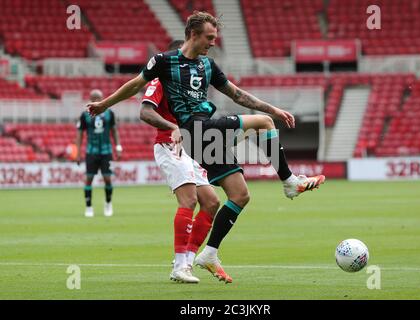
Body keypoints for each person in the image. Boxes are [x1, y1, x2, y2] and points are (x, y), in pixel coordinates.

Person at [87, 11, 325, 283]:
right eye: (209, 37)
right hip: (194, 131)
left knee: (240, 195)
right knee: (263, 123)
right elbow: (134, 86)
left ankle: (209, 253)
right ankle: (290, 182)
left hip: (204, 138)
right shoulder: (164, 62)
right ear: (193, 34)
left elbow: (237, 94)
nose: (213, 42)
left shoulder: (208, 65)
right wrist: (104, 104)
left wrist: (275, 107)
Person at [139, 40, 220, 284]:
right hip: (169, 145)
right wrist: (172, 126)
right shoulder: (161, 78)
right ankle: (179, 266)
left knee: (212, 202)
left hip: (189, 148)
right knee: (189, 200)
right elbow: (145, 111)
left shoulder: (189, 84)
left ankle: (187, 262)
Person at [76, 89, 122, 218]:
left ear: (102, 98)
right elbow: (79, 134)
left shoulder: (110, 113)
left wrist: (118, 147)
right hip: (91, 151)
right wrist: (78, 152)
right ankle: (89, 207)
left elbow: (114, 131)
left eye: (99, 98)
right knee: (88, 179)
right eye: (94, 98)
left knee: (107, 179)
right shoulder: (84, 115)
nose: (96, 100)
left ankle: (108, 204)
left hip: (106, 151)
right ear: (90, 99)